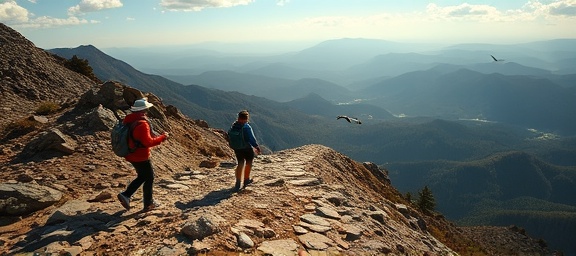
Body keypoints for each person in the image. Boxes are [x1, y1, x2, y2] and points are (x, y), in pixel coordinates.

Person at [117, 98, 169, 212]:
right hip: (140, 156)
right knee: (149, 177)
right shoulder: (142, 124)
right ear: (144, 110)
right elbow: (148, 142)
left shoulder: (129, 120)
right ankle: (147, 203)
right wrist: (162, 137)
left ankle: (127, 195)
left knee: (143, 176)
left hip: (131, 154)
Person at [230, 110, 261, 191]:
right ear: (246, 118)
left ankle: (238, 182)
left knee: (240, 163)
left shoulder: (234, 125)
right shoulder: (246, 127)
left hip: (237, 149)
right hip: (246, 148)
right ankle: (246, 180)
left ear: (238, 117)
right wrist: (256, 146)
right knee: (249, 163)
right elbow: (251, 138)